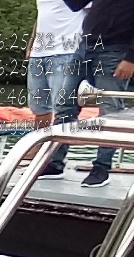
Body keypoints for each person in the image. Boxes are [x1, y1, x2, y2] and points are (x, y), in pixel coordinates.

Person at [40, 0, 134, 189]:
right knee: (65, 105)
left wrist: (131, 58)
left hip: (117, 49)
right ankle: (55, 164)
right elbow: (76, 4)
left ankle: (101, 168)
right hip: (85, 45)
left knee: (110, 111)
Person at [28, 0, 86, 130]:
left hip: (66, 52)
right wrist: (31, 42)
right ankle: (40, 146)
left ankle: (58, 148)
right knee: (40, 109)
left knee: (63, 108)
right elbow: (42, 16)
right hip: (39, 53)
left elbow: (94, 14)